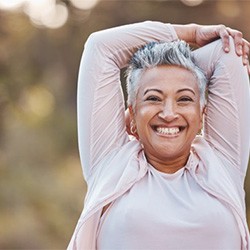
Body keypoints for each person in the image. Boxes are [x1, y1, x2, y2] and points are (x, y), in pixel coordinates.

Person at [68, 21, 250, 249]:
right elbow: (100, 47)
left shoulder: (223, 164)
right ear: (131, 114)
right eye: (153, 98)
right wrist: (190, 33)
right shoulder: (110, 163)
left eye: (185, 99)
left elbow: (227, 53)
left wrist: (182, 63)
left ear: (202, 113)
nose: (169, 113)